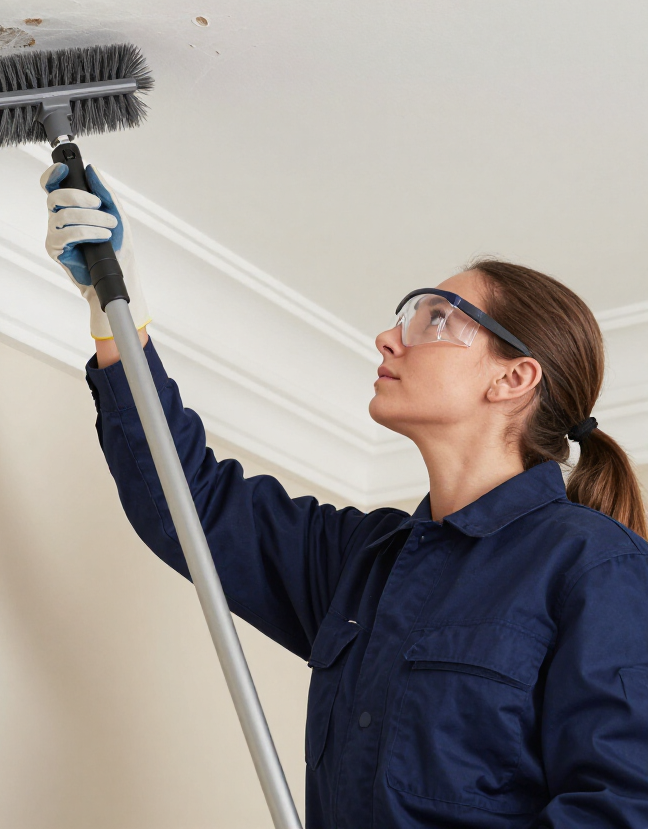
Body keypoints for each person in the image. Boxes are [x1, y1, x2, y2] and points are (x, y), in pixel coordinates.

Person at [41, 160, 648, 828]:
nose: (390, 337)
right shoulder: (360, 563)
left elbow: (620, 806)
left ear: (513, 379)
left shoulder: (592, 564)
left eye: (436, 319)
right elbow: (190, 506)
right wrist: (114, 314)